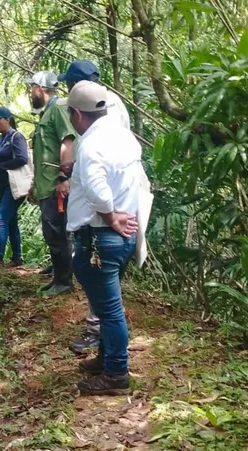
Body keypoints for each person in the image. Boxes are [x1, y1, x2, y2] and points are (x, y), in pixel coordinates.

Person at [59, 81, 144, 395]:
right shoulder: (123, 135)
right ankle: (106, 358)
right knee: (106, 304)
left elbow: (96, 188)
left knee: (110, 311)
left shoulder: (92, 145)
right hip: (117, 237)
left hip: (100, 237)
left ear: (78, 114)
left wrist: (109, 215)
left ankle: (116, 374)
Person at [28, 71, 76, 296]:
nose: (30, 93)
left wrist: (63, 179)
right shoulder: (46, 113)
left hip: (56, 185)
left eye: (32, 88)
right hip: (45, 185)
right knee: (52, 233)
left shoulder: (57, 110)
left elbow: (68, 141)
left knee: (57, 234)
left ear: (40, 88)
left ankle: (64, 283)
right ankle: (58, 277)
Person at [0, 107, 29, 268]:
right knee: (10, 221)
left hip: (14, 185)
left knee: (1, 218)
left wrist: (0, 166)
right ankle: (17, 257)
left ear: (7, 120)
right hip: (2, 184)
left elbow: (22, 158)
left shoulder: (16, 137)